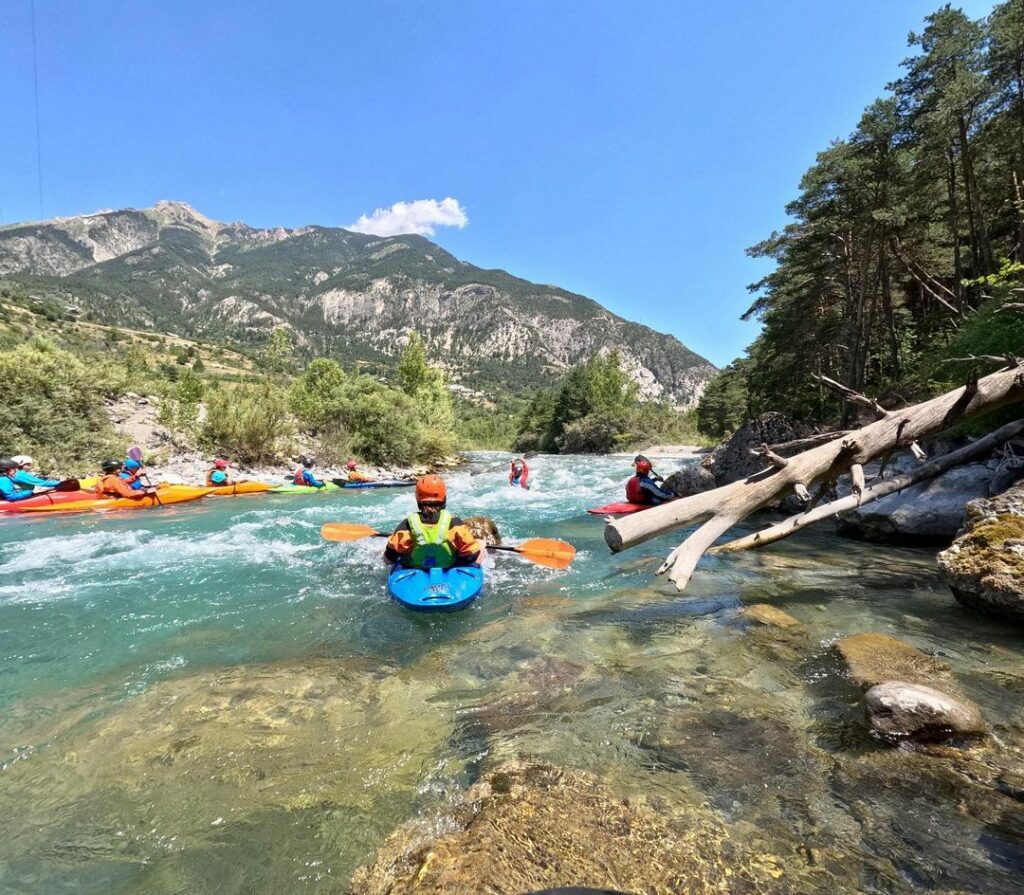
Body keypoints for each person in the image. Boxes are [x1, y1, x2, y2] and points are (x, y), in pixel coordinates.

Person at [384, 475, 482, 569]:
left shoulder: (406, 526)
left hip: (415, 568)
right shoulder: (455, 524)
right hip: (449, 567)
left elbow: (388, 560)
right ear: (444, 499)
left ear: (418, 499)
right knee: (480, 544)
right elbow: (471, 555)